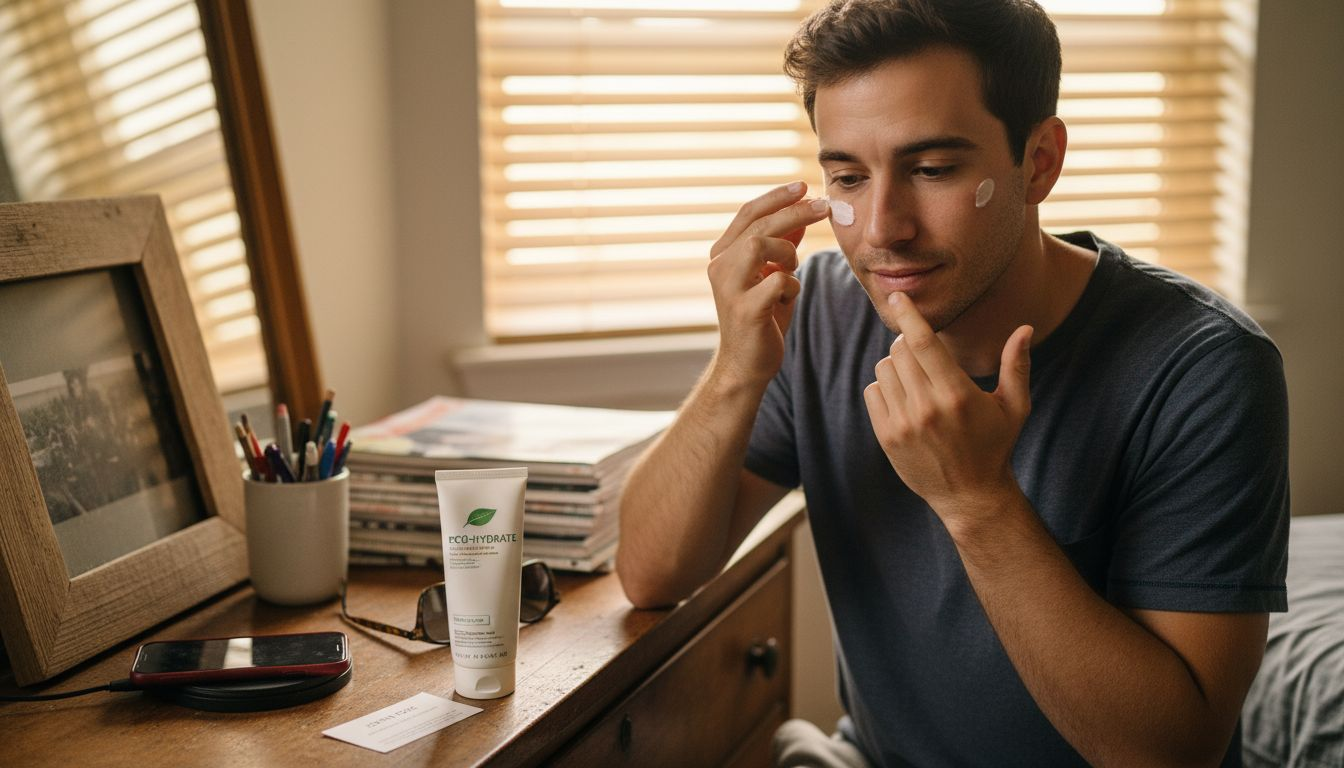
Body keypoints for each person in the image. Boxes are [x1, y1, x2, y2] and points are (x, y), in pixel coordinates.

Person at [615, 1, 1290, 766]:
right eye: (847, 176)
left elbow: (1168, 756)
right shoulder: (823, 310)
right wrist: (736, 370)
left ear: (1038, 162)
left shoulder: (1204, 366)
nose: (880, 229)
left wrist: (978, 502)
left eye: (932, 170)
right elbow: (650, 574)